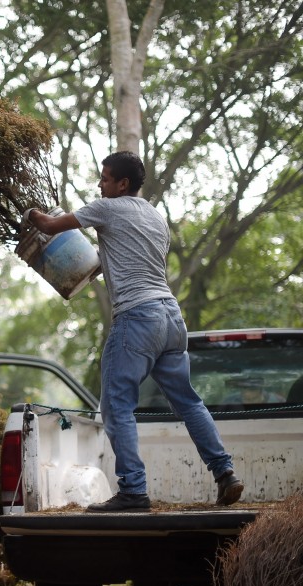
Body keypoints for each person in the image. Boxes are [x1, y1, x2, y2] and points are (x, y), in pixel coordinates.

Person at [23, 151, 243, 511]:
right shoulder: (156, 217)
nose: (100, 184)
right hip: (171, 318)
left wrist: (28, 212)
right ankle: (225, 473)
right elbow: (108, 261)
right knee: (188, 401)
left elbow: (48, 226)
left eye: (105, 178)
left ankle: (133, 491)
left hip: (137, 318)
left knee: (116, 406)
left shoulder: (108, 208)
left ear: (122, 184)